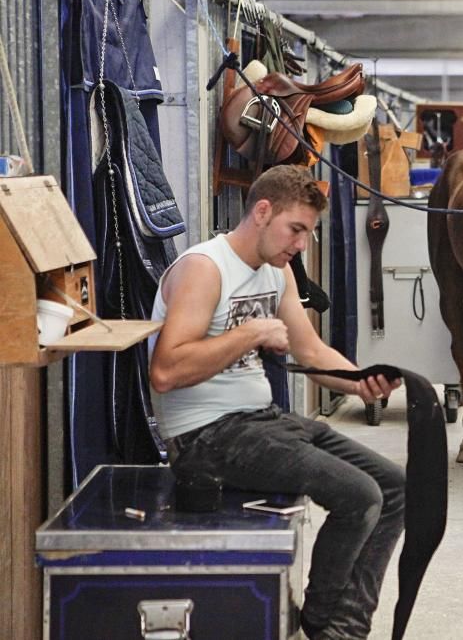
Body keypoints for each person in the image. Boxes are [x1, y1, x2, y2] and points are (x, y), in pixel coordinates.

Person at [149, 164, 404, 640]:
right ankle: (320, 622)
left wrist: (360, 381)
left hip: (263, 422)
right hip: (206, 438)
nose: (301, 244)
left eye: (307, 232)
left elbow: (309, 350)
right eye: (297, 229)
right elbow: (165, 372)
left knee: (394, 487)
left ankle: (342, 630)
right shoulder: (205, 269)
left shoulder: (277, 270)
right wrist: (251, 332)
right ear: (262, 212)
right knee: (359, 495)